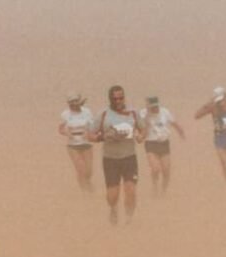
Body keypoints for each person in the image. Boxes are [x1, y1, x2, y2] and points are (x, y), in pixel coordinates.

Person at [91, 85, 146, 225]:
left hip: (129, 157)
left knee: (131, 190)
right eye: (115, 98)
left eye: (121, 98)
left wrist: (141, 137)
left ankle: (129, 219)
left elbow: (144, 128)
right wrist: (103, 137)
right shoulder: (103, 114)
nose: (118, 101)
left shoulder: (133, 113)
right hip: (110, 159)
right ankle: (113, 209)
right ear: (110, 99)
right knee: (112, 195)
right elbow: (89, 134)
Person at [139, 96, 185, 196]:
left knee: (166, 171)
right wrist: (147, 114)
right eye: (152, 107)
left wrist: (181, 132)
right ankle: (155, 186)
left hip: (164, 143)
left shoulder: (165, 112)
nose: (155, 108)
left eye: (156, 106)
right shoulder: (143, 114)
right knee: (155, 169)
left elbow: (174, 123)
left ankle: (163, 191)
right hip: (151, 144)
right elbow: (140, 126)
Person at [58, 93, 95, 192]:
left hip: (86, 144)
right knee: (80, 170)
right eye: (71, 102)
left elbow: (92, 126)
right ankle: (85, 193)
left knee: (89, 171)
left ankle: (88, 183)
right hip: (73, 145)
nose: (74, 103)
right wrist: (67, 133)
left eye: (75, 101)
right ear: (68, 103)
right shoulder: (65, 114)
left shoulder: (87, 112)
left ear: (79, 101)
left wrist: (88, 132)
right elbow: (60, 129)